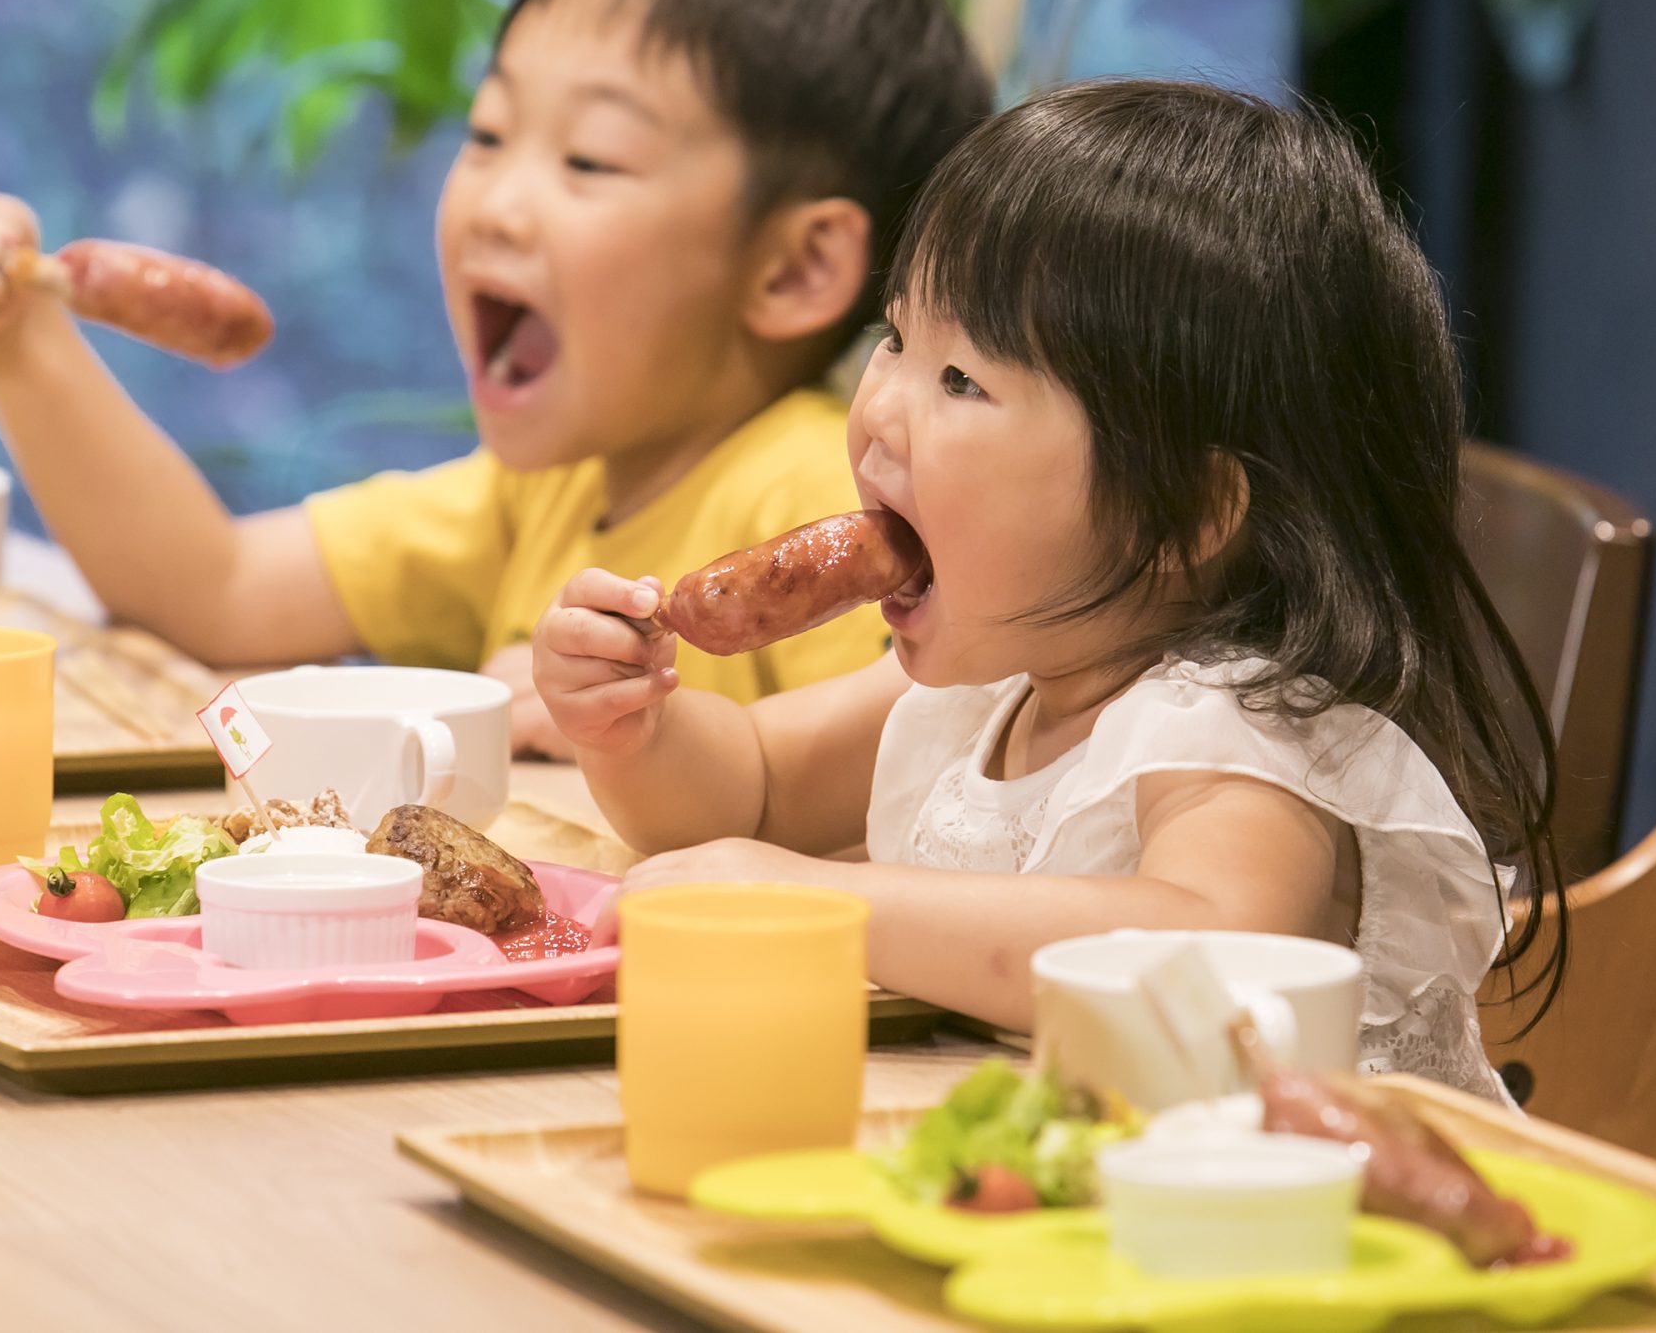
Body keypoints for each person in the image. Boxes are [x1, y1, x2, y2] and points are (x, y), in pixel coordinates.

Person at [532, 79, 1564, 1099]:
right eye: (895, 339)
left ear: (1184, 515)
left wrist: (817, 899)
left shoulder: (1236, 731)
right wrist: (632, 730)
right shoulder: (994, 685)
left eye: (960, 382)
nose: (878, 410)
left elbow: (1214, 946)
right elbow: (750, 784)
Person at [0, 0, 993, 753]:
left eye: (589, 159)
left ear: (796, 270)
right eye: (490, 133)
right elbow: (209, 590)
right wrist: (8, 334)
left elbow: (923, 784)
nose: (494, 201)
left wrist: (633, 736)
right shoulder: (547, 488)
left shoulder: (821, 493)